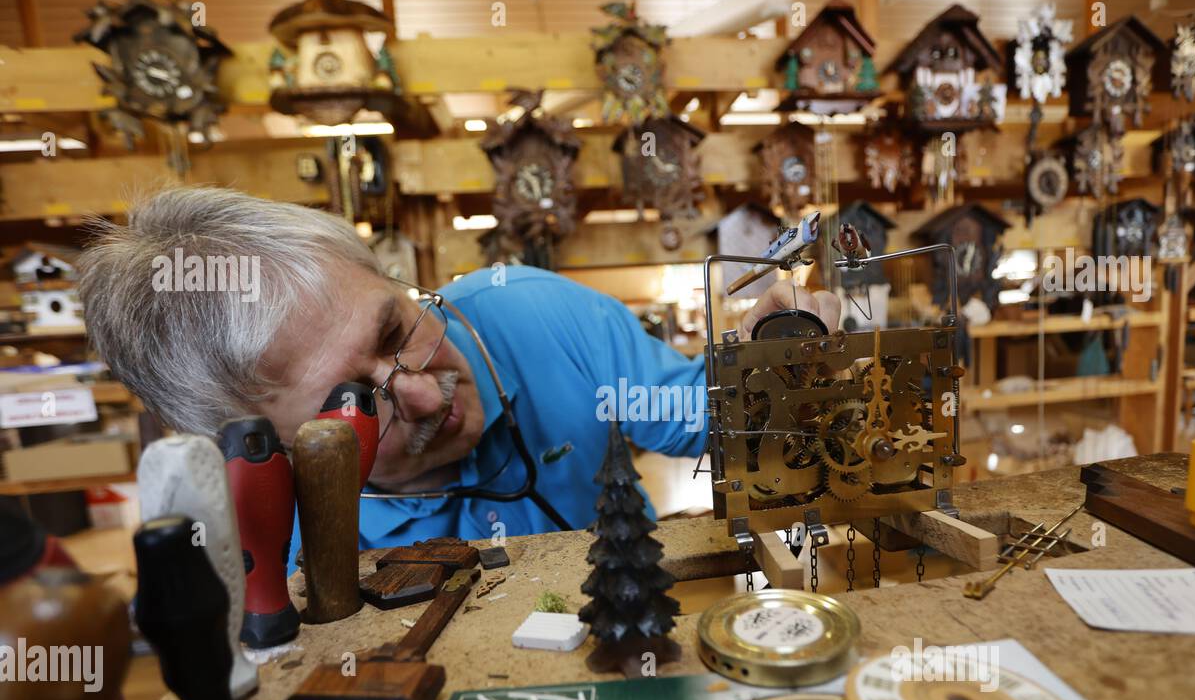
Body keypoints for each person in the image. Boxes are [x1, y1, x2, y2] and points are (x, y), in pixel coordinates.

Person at [80, 187, 839, 550]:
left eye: (394, 326)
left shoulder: (539, 315)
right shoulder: (262, 540)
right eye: (351, 402)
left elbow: (714, 421)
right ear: (267, 451)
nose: (421, 388)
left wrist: (779, 357)